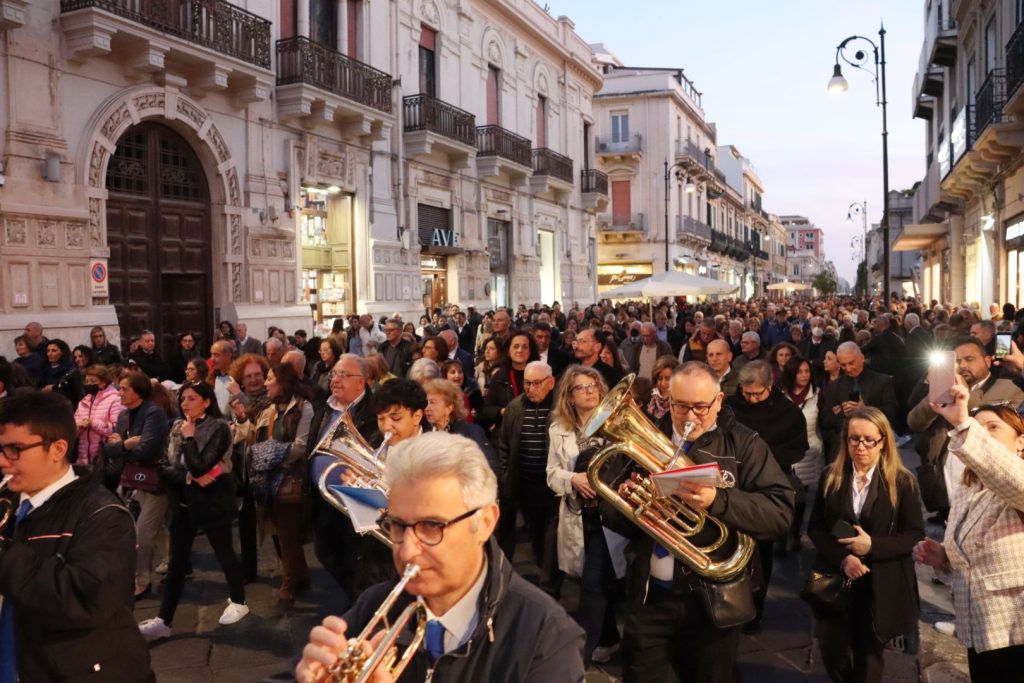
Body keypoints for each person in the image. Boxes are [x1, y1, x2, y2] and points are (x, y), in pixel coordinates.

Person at [295, 432, 585, 683]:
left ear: (485, 522)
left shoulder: (547, 637)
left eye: (432, 526)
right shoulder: (373, 604)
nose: (406, 551)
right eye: (397, 525)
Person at [602, 361, 794, 683]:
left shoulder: (745, 443)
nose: (690, 416)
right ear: (668, 399)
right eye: (680, 406)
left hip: (713, 600)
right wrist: (627, 503)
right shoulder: (641, 438)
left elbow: (780, 512)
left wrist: (717, 500)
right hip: (650, 597)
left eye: (700, 407)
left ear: (719, 401)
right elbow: (609, 512)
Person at [0, 391, 155, 682]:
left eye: (14, 450)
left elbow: (88, 599)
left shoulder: (104, 513)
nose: (2, 461)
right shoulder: (8, 501)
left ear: (58, 449)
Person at [913, 389, 1024, 682]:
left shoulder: (1019, 479)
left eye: (993, 427)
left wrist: (964, 424)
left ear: (1021, 441)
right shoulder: (968, 490)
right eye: (978, 427)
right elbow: (973, 563)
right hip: (979, 631)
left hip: (1016, 632)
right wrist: (944, 558)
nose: (983, 435)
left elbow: (1011, 477)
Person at [807, 406, 924, 683]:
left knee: (869, 656)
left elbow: (914, 534)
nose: (860, 447)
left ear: (883, 442)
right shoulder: (831, 476)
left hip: (879, 583)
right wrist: (843, 558)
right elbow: (816, 527)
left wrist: (872, 546)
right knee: (831, 648)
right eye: (854, 439)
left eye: (869, 440)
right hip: (836, 578)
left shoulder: (902, 482)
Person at [138, 381, 249, 638]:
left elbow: (201, 465)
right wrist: (189, 477)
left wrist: (190, 439)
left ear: (207, 402)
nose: (185, 403)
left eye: (191, 398)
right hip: (182, 504)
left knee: (225, 554)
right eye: (183, 398)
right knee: (177, 563)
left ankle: (239, 601)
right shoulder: (176, 426)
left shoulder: (219, 428)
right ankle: (164, 621)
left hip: (212, 504)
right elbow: (164, 467)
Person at [725, 360, 808, 631]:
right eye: (746, 393)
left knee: (761, 553)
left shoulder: (788, 413)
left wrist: (762, 459)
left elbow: (797, 449)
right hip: (733, 487)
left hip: (765, 490)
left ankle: (755, 610)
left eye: (757, 394)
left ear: (769, 388)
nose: (751, 399)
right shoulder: (729, 408)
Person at [907, 336, 1024, 522]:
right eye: (958, 361)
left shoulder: (1009, 388)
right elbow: (914, 423)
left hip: (990, 485)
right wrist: (935, 391)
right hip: (946, 482)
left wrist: (964, 397)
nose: (962, 366)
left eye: (969, 359)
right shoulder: (945, 389)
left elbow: (995, 420)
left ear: (987, 361)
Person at [235, 363, 314, 603]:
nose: (266, 383)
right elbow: (254, 437)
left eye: (270, 378)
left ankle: (288, 586)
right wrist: (242, 420)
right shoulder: (269, 410)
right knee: (281, 532)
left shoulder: (303, 408)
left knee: (287, 534)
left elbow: (301, 446)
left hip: (291, 480)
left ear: (283, 382)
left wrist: (270, 456)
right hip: (269, 481)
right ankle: (301, 576)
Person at [306, 354, 378, 604]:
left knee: (355, 557)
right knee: (324, 550)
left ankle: (359, 603)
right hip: (324, 499)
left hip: (353, 501)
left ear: (361, 382)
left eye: (344, 375)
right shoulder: (324, 407)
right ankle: (354, 596)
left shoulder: (372, 412)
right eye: (334, 374)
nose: (335, 380)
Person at [495, 361, 558, 585]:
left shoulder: (560, 408)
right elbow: (503, 445)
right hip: (524, 484)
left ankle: (549, 584)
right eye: (527, 383)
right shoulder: (515, 407)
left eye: (536, 383)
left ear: (551, 383)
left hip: (552, 486)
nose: (531, 388)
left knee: (551, 537)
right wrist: (506, 475)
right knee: (535, 533)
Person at [819, 342, 899, 462]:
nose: (848, 369)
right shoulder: (833, 387)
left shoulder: (882, 381)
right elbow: (824, 420)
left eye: (851, 363)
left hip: (875, 450)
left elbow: (892, 413)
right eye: (843, 365)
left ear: (861, 358)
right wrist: (843, 413)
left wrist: (866, 410)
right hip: (843, 452)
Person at [780, 356, 824, 551]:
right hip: (785, 452)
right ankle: (783, 533)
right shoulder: (781, 394)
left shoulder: (818, 395)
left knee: (802, 497)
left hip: (809, 452)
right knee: (785, 496)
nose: (804, 375)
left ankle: (796, 533)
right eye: (799, 372)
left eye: (807, 371)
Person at [422, 379, 493, 469]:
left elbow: (490, 466)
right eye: (426, 403)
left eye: (432, 402)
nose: (427, 408)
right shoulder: (424, 433)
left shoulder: (471, 432)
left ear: (449, 408)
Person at [479, 330, 539, 434]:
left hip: (534, 431)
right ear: (508, 350)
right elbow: (487, 409)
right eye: (516, 346)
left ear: (530, 351)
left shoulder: (539, 375)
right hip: (506, 432)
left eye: (525, 347)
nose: (520, 350)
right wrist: (502, 411)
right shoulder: (499, 376)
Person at [73, 364, 124, 468]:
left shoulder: (115, 399)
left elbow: (116, 429)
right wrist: (79, 426)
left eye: (93, 381)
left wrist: (93, 423)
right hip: (82, 460)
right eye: (87, 381)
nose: (88, 384)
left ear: (104, 382)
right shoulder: (83, 402)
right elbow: (72, 430)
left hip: (104, 459)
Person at [644, 355, 678, 421]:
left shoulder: (681, 402)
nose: (663, 383)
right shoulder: (648, 399)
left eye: (667, 379)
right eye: (660, 378)